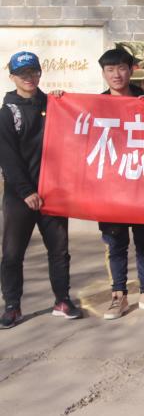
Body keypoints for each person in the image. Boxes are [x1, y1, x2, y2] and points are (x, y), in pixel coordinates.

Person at [0, 51, 80, 329]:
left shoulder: (53, 104)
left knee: (59, 251)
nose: (29, 78)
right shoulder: (7, 113)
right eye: (23, 74)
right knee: (13, 253)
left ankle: (62, 300)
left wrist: (62, 100)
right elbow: (7, 158)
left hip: (53, 193)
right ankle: (12, 306)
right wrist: (25, 191)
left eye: (33, 72)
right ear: (13, 77)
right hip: (20, 196)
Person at [96, 47, 144, 319]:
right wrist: (59, 99)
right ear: (104, 73)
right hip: (111, 189)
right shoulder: (96, 104)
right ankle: (118, 296)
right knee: (115, 243)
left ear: (131, 70)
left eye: (121, 68)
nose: (116, 74)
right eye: (110, 70)